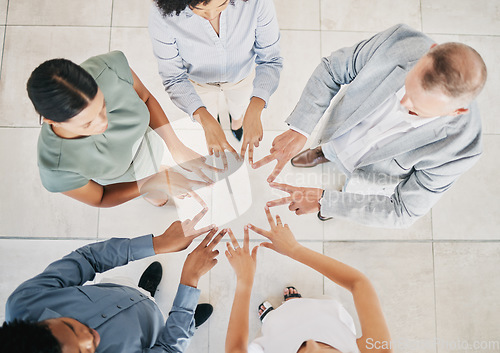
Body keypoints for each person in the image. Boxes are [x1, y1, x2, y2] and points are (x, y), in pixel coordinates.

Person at [253, 24, 487, 228]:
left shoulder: (462, 149)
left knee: (352, 196)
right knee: (329, 146)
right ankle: (323, 152)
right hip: (340, 133)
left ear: (457, 111)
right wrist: (300, 129)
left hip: (370, 179)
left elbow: (402, 211)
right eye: (407, 86)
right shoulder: (400, 41)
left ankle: (340, 200)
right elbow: (333, 70)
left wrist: (326, 201)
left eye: (416, 109)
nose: (402, 103)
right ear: (430, 50)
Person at [1, 210, 224, 353]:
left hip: (120, 288)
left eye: (70, 325)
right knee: (178, 331)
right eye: (84, 352)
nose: (91, 336)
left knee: (139, 292)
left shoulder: (24, 303)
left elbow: (88, 259)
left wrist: (159, 243)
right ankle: (187, 319)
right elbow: (167, 348)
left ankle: (145, 291)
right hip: (155, 335)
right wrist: (190, 281)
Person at [27, 50, 217, 208]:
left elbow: (146, 98)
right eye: (87, 123)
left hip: (149, 142)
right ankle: (153, 186)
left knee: (155, 165)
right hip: (125, 178)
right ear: (52, 121)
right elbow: (101, 197)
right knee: (158, 198)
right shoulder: (56, 168)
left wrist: (177, 148)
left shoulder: (107, 69)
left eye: (102, 106)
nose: (104, 123)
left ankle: (157, 169)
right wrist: (153, 182)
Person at [224, 207, 392, 353]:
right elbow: (359, 283)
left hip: (277, 332)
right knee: (305, 310)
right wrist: (294, 249)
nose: (311, 341)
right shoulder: (378, 350)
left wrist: (244, 281)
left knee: (274, 324)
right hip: (324, 313)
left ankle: (272, 317)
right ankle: (293, 305)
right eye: (327, 349)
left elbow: (235, 350)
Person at [149, 0, 283, 167]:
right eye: (200, 10)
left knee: (239, 104)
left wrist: (256, 106)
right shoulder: (162, 15)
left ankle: (237, 121)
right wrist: (205, 120)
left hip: (241, 76)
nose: (212, 16)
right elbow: (173, 77)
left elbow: (270, 59)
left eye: (222, 5)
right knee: (208, 111)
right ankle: (216, 120)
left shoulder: (257, 3)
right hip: (198, 84)